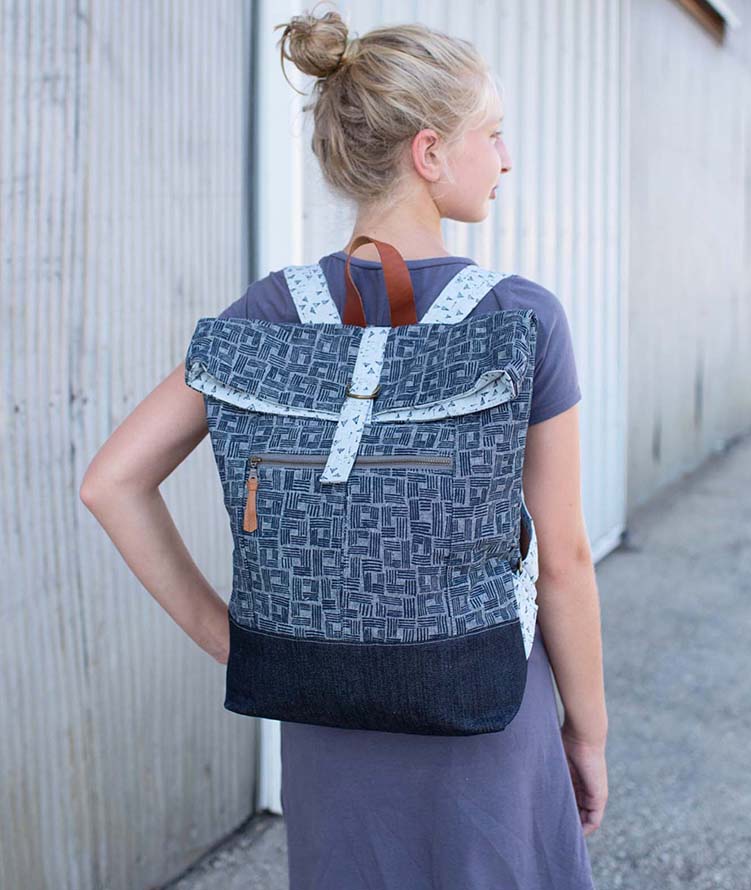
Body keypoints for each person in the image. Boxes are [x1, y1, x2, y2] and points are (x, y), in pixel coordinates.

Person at [80, 5, 608, 888]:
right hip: (483, 709)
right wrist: (587, 732)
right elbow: (565, 558)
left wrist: (237, 641)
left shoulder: (271, 311)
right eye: (493, 134)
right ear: (430, 152)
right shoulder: (519, 317)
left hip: (324, 714)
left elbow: (111, 483)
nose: (507, 158)